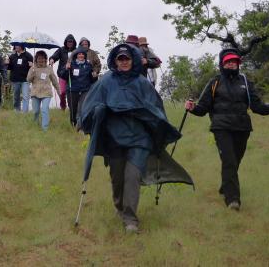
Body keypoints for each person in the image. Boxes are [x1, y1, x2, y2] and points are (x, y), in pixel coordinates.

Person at [79, 43, 181, 233]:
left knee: (133, 177)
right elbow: (90, 106)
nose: (124, 62)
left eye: (127, 59)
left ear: (132, 60)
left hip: (139, 139)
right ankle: (120, 206)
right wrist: (98, 111)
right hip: (114, 139)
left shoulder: (142, 83)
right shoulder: (106, 81)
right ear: (115, 61)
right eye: (121, 59)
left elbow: (156, 108)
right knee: (117, 178)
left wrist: (150, 118)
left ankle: (131, 219)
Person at [185, 48, 269, 210]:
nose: (232, 64)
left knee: (235, 161)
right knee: (229, 161)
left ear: (238, 64)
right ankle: (233, 200)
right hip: (221, 127)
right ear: (222, 64)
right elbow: (202, 109)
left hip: (242, 127)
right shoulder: (214, 82)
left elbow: (258, 107)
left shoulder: (245, 82)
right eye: (229, 62)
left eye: (235, 62)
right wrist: (192, 108)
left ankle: (226, 185)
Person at [27, 50, 61, 131]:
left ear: (46, 59)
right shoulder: (33, 68)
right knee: (36, 111)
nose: (41, 60)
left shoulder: (49, 68)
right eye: (39, 58)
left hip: (46, 93)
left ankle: (44, 129)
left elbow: (55, 81)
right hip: (35, 93)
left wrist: (59, 92)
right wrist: (32, 72)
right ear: (36, 59)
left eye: (43, 58)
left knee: (44, 109)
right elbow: (28, 80)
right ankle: (35, 125)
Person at [66, 47, 95, 127]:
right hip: (73, 89)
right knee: (73, 108)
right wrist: (66, 69)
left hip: (85, 90)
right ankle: (73, 123)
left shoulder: (88, 65)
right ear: (76, 55)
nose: (81, 55)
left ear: (85, 56)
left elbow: (92, 79)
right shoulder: (71, 64)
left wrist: (94, 76)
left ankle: (80, 126)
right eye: (79, 54)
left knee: (82, 108)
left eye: (82, 54)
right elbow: (63, 76)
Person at [49, 34, 77, 110]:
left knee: (71, 92)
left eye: (71, 41)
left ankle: (72, 108)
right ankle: (63, 107)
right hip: (62, 74)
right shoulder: (61, 50)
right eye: (68, 41)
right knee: (62, 92)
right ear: (66, 42)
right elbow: (54, 56)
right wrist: (52, 60)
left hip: (73, 75)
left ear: (74, 42)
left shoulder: (76, 51)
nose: (70, 43)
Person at [8, 45, 33, 112]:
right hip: (15, 79)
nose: (16, 47)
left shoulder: (28, 55)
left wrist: (31, 65)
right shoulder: (12, 56)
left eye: (18, 45)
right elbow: (9, 67)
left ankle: (25, 112)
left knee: (25, 96)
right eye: (15, 46)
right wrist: (7, 63)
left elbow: (33, 68)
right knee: (16, 96)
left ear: (22, 46)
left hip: (25, 79)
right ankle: (17, 110)